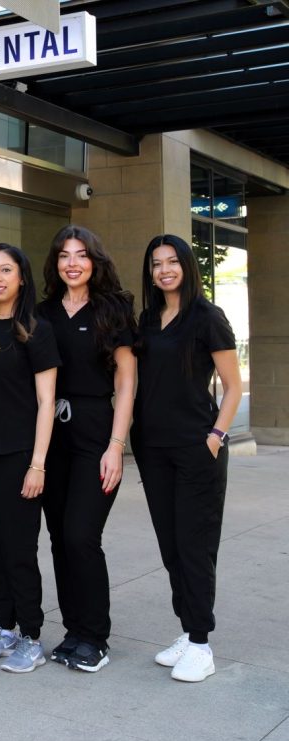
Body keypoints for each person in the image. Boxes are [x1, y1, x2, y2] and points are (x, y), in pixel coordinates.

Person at [132, 233, 242, 683]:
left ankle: (201, 643)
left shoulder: (207, 316)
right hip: (153, 450)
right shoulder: (148, 318)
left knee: (195, 547)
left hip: (197, 449)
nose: (164, 270)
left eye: (172, 262)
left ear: (187, 266)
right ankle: (188, 630)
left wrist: (216, 435)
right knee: (172, 547)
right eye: (156, 264)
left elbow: (233, 386)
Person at [37, 226, 136, 673]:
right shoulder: (41, 313)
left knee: (81, 534)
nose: (72, 263)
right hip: (50, 432)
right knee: (59, 539)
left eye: (81, 255)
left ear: (95, 261)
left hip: (96, 432)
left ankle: (95, 635)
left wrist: (117, 445)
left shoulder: (113, 309)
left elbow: (126, 380)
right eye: (64, 255)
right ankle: (73, 630)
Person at [0, 243, 59, 674]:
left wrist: (37, 463)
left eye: (6, 270)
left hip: (19, 456)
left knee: (19, 550)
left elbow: (46, 402)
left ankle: (32, 635)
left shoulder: (37, 329)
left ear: (22, 277)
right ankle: (3, 626)